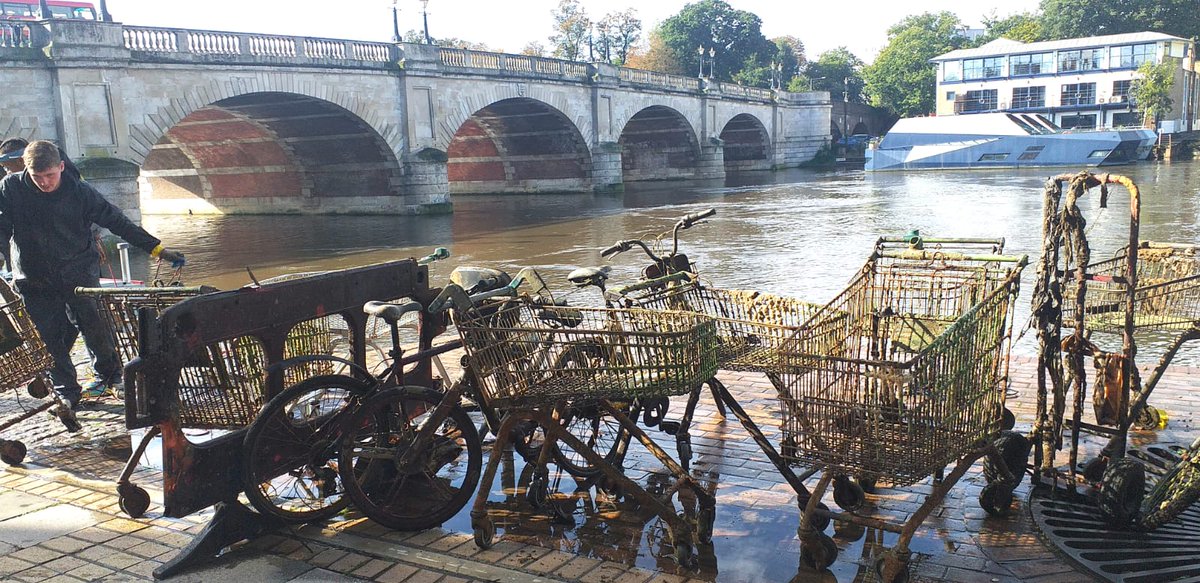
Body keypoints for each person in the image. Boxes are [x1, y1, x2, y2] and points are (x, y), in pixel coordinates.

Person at [0, 140, 185, 408]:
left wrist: (157, 249)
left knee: (94, 326)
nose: (45, 183)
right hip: (33, 275)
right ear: (26, 171)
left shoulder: (80, 192)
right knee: (49, 336)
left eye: (50, 175)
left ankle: (109, 376)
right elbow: (2, 226)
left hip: (78, 272)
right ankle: (67, 391)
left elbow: (117, 221)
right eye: (37, 177)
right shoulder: (11, 188)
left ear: (61, 167)